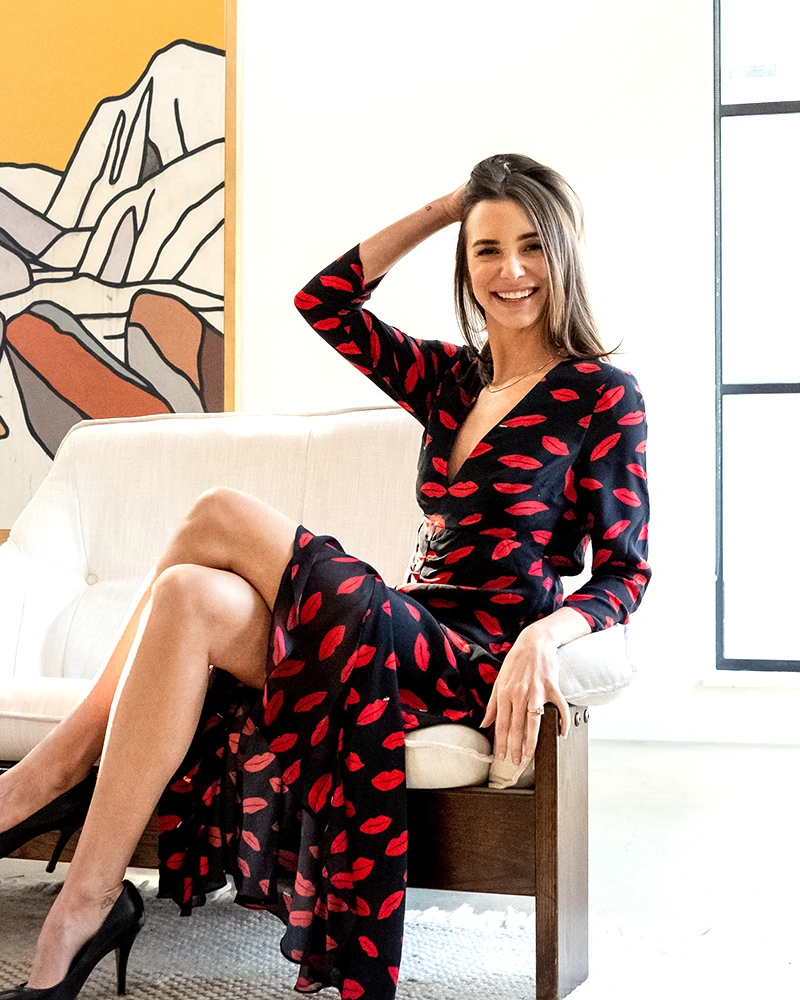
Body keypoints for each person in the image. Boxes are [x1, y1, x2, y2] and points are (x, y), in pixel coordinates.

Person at [0, 153, 650, 1000]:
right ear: (465, 264)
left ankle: (50, 772)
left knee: (217, 514)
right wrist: (442, 206)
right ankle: (85, 906)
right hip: (399, 630)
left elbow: (626, 574)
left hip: (467, 658)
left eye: (532, 246)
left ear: (563, 255)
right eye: (487, 249)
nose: (512, 270)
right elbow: (325, 301)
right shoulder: (451, 381)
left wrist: (545, 633)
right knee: (188, 594)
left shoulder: (603, 395)